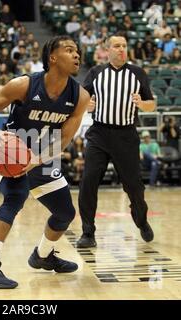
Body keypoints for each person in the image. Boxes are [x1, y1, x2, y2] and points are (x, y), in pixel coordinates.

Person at [0, 35, 90, 289]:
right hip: (12, 154)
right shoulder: (24, 85)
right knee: (15, 198)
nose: (77, 55)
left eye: (77, 51)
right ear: (53, 57)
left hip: (42, 158)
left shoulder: (79, 96)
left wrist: (41, 158)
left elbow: (65, 137)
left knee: (65, 213)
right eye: (70, 50)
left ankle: (43, 256)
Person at [77, 34, 156, 249]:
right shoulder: (96, 72)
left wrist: (142, 103)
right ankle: (88, 231)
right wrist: (88, 105)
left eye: (124, 46)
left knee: (134, 186)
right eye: (117, 46)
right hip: (99, 134)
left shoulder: (138, 73)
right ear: (107, 50)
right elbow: (82, 100)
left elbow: (152, 105)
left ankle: (141, 221)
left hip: (126, 135)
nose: (121, 49)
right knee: (89, 181)